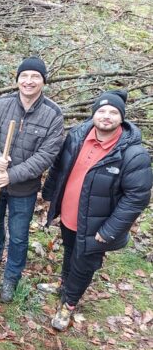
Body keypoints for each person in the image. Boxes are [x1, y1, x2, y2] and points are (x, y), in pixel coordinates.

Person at [41, 90, 151, 331]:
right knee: (70, 251)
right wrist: (49, 195)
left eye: (113, 112)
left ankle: (68, 304)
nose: (106, 116)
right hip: (70, 213)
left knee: (85, 263)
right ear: (93, 114)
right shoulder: (78, 136)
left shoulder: (133, 154)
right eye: (101, 111)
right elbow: (60, 167)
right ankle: (63, 284)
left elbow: (137, 198)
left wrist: (110, 230)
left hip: (98, 224)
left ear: (121, 117)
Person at [0, 57, 64, 302]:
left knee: (18, 233)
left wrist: (12, 175)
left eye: (35, 77)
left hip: (23, 188)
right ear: (17, 80)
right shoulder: (0, 105)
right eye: (24, 76)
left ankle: (11, 275)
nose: (28, 81)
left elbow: (46, 155)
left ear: (43, 82)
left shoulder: (53, 115)